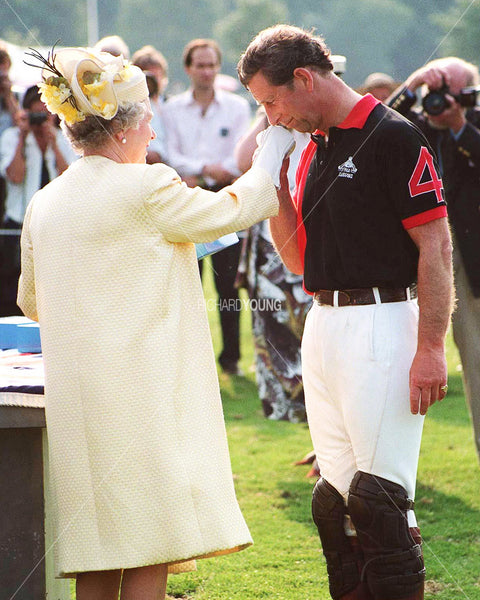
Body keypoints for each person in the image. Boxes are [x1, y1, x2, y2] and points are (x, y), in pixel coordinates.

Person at [17, 45, 294, 600]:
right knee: (152, 541)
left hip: (78, 401)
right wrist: (274, 150)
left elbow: (31, 300)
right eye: (146, 122)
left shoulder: (44, 202)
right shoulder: (145, 187)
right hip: (140, 396)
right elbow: (234, 209)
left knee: (95, 545)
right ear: (122, 130)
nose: (153, 136)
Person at [238, 25, 454, 600]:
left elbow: (436, 247)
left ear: (303, 79)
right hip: (325, 325)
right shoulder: (313, 142)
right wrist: (277, 179)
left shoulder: (394, 136)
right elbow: (294, 256)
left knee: (379, 503)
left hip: (383, 324)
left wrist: (431, 348)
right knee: (334, 506)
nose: (272, 116)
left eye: (271, 101)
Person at [387, 57, 480, 465]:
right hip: (425, 255)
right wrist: (411, 87)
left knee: (476, 357)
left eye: (451, 93)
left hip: (471, 257)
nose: (442, 102)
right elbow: (376, 126)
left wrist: (460, 124)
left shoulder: (473, 125)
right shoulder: (415, 126)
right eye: (436, 94)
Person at [162, 38, 251, 375]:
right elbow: (171, 153)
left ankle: (231, 360)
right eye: (200, 65)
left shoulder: (237, 108)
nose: (206, 71)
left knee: (229, 288)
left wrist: (215, 169)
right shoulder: (171, 109)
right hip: (186, 199)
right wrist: (201, 168)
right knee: (188, 285)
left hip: (225, 199)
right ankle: (190, 362)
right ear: (188, 69)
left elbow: (240, 152)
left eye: (212, 64)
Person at [235, 108, 311, 422]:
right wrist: (267, 119)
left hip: (311, 232)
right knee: (272, 323)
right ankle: (284, 405)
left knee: (309, 325)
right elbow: (241, 162)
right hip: (271, 241)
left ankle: (322, 413)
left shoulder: (323, 125)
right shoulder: (268, 128)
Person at [0, 84, 74, 317]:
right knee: (14, 290)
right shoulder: (12, 137)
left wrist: (53, 144)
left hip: (54, 223)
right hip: (18, 221)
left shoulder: (63, 139)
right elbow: (15, 176)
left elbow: (71, 179)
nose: (40, 120)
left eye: (45, 114)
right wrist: (23, 137)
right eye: (35, 115)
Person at [132, 44, 169, 164]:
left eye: (156, 77)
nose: (150, 83)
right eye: (146, 77)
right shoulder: (128, 111)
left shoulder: (171, 107)